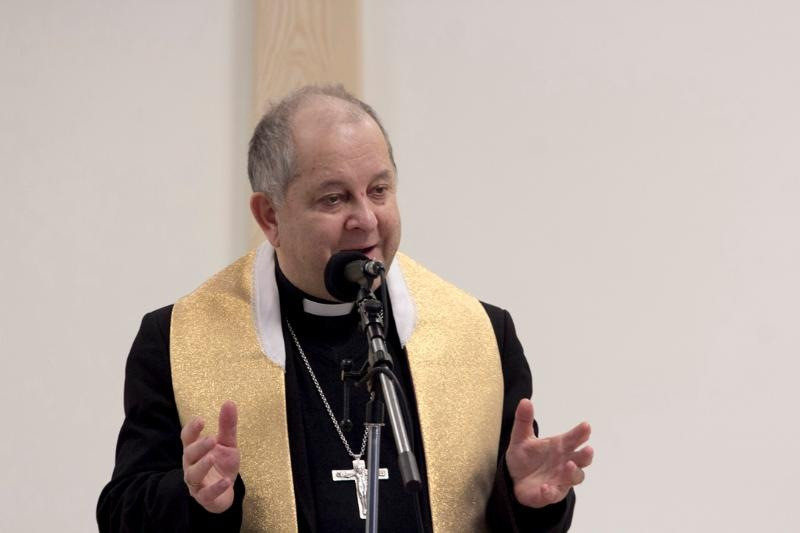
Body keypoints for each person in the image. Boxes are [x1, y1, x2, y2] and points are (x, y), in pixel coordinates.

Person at [97, 85, 593, 532]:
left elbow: (506, 517)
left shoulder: (481, 332)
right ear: (270, 216)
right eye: (334, 199)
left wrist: (528, 502)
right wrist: (194, 501)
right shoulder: (176, 339)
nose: (366, 219)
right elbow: (121, 514)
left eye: (379, 190)